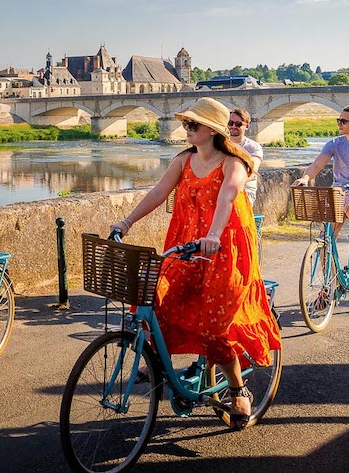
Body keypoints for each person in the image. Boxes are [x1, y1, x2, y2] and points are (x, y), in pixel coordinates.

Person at [109, 97, 282, 428]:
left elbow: (227, 197)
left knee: (217, 325)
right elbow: (158, 192)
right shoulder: (184, 160)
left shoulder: (234, 162)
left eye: (193, 124)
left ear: (213, 131)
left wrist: (214, 234)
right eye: (186, 123)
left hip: (225, 245)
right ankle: (159, 359)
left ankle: (238, 390)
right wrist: (126, 222)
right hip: (186, 241)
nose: (186, 129)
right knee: (157, 295)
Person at [292, 105, 349, 274]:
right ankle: (327, 286)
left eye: (343, 121)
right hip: (338, 194)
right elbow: (317, 165)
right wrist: (305, 178)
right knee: (324, 240)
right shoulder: (335, 143)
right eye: (339, 120)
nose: (339, 124)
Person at [228, 108, 263, 205]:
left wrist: (232, 186)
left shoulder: (253, 147)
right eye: (230, 123)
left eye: (238, 124)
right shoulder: (220, 144)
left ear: (247, 126)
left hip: (245, 189)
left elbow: (252, 171)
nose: (233, 126)